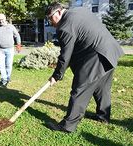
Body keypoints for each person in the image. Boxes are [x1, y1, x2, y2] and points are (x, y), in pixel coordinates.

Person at [45, 2, 124, 133]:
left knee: (80, 89)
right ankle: (103, 116)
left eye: (50, 18)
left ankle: (67, 126)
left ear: (59, 12)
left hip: (96, 55)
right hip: (110, 50)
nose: (50, 22)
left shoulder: (64, 26)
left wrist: (56, 75)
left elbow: (66, 55)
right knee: (102, 87)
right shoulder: (81, 10)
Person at [0, 13, 22, 87]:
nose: (0, 21)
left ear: (5, 18)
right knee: (1, 65)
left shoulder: (11, 27)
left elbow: (17, 35)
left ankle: (8, 78)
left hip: (10, 49)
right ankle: (4, 80)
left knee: (9, 65)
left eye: (2, 19)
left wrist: (18, 45)